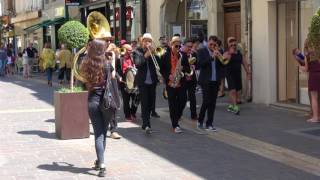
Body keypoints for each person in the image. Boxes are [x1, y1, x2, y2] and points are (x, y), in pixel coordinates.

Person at [79, 39, 119, 177]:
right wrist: (113, 59)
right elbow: (113, 77)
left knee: (98, 133)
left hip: (92, 101)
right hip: (107, 102)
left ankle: (101, 163)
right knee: (103, 133)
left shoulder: (86, 64)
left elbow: (82, 81)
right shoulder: (107, 64)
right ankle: (100, 162)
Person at [161, 36, 191, 133]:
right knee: (172, 104)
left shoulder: (183, 55)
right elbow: (162, 69)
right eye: (176, 46)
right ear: (171, 45)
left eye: (179, 46)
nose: (178, 48)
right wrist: (168, 76)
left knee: (183, 100)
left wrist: (183, 69)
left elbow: (188, 68)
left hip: (181, 82)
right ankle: (175, 125)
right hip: (170, 83)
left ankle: (177, 116)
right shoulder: (165, 56)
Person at [133, 33, 160, 134]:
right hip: (142, 81)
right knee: (145, 103)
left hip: (152, 81)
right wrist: (146, 55)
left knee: (151, 104)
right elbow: (137, 63)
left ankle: (146, 121)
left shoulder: (153, 51)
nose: (147, 43)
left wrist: (156, 54)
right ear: (142, 42)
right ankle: (147, 124)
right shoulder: (137, 51)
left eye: (149, 41)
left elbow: (159, 64)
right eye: (146, 41)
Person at [197, 36, 225, 131]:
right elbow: (201, 64)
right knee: (206, 101)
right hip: (205, 80)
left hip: (215, 80)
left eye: (214, 44)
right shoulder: (202, 51)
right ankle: (200, 120)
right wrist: (211, 57)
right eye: (211, 44)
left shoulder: (218, 52)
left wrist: (221, 57)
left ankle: (209, 123)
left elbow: (222, 65)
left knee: (213, 103)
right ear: (208, 42)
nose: (212, 46)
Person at [224, 37, 251, 115]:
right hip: (229, 74)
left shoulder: (240, 54)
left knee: (237, 93)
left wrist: (248, 73)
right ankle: (235, 107)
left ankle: (231, 105)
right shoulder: (226, 53)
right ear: (228, 44)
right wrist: (230, 54)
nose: (233, 45)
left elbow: (245, 64)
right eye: (231, 43)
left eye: (234, 43)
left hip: (237, 75)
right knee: (232, 90)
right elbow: (223, 62)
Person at [116, 44, 139, 122]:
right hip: (124, 81)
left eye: (131, 50)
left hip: (134, 81)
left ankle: (133, 112)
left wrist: (135, 68)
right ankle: (127, 115)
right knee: (126, 100)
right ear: (124, 50)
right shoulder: (119, 58)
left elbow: (138, 66)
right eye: (129, 50)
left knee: (136, 98)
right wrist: (119, 77)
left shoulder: (133, 57)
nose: (131, 51)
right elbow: (116, 70)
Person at [303, 39, 320, 122]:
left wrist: (301, 68)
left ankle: (316, 117)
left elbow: (306, 69)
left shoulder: (307, 56)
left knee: (314, 98)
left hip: (313, 76)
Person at [181, 38, 198, 121]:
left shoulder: (194, 54)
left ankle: (194, 115)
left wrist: (195, 66)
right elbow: (179, 66)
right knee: (182, 98)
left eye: (191, 47)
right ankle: (179, 114)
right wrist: (187, 68)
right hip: (183, 78)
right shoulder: (180, 54)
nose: (190, 48)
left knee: (192, 97)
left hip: (192, 78)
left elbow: (199, 64)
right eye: (188, 46)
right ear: (184, 46)